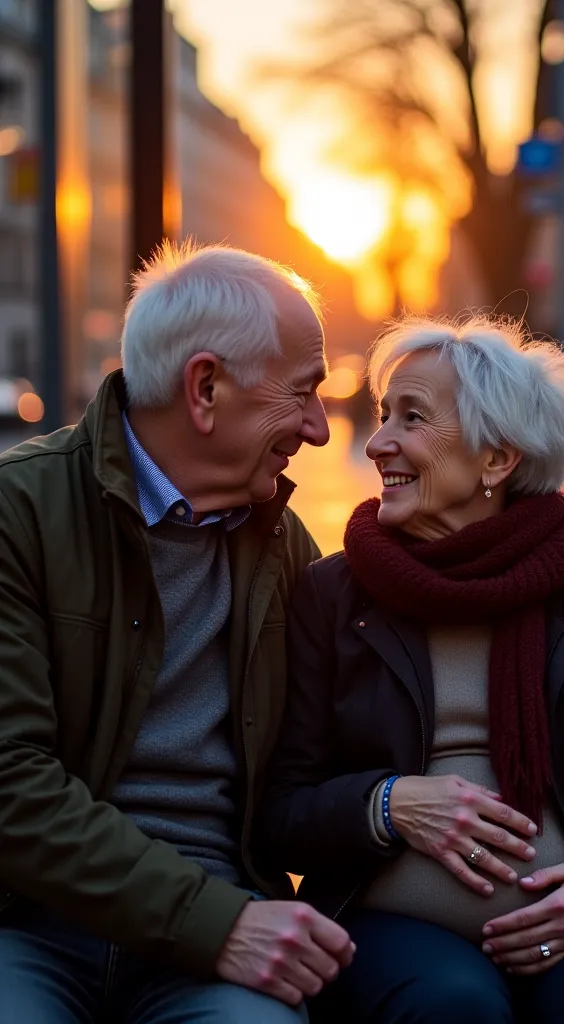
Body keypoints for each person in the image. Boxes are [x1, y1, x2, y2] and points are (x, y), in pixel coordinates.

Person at [256, 315, 564, 1024]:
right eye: (383, 413)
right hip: (392, 928)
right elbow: (279, 809)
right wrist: (390, 803)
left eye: (413, 418)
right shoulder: (332, 595)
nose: (378, 442)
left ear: (497, 461)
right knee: (452, 1006)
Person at [0, 242, 357, 1022]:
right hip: (28, 925)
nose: (321, 429)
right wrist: (216, 925)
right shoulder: (18, 514)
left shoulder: (287, 550)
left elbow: (341, 760)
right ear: (206, 387)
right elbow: (9, 784)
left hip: (224, 926)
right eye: (303, 394)